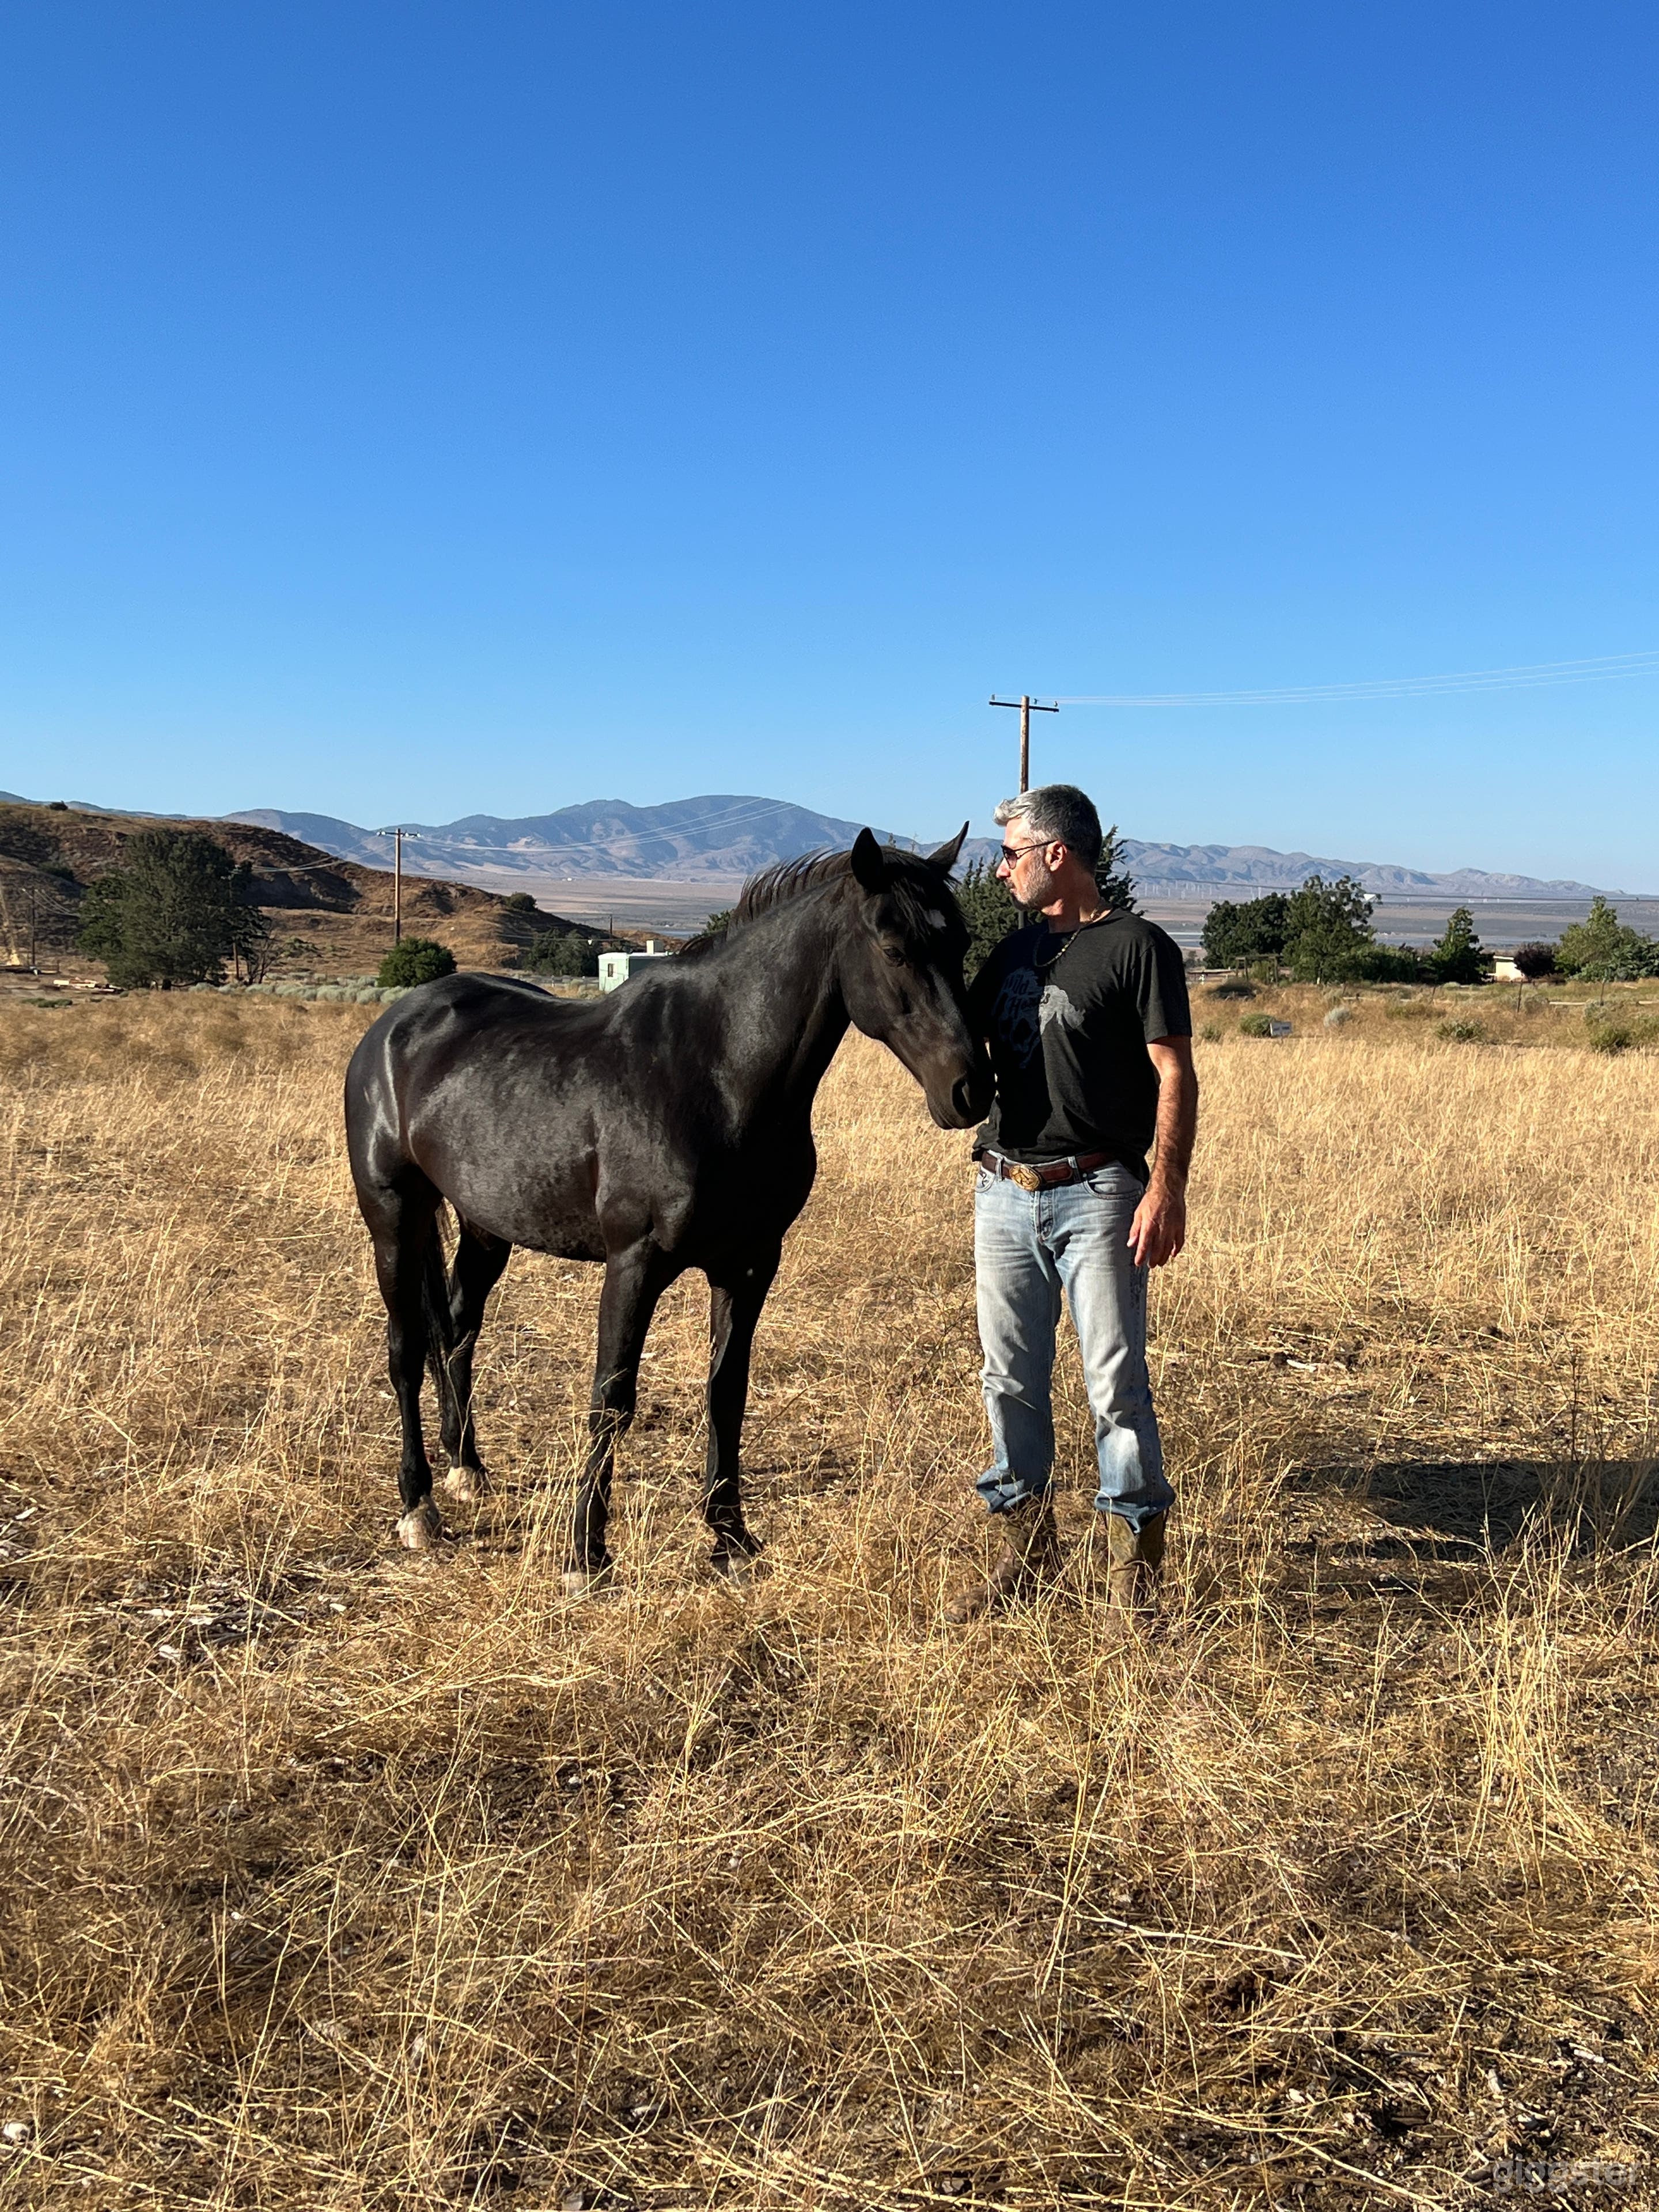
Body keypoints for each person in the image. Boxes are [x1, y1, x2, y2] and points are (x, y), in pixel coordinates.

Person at [947, 783, 1198, 1624]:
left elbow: (1174, 1072)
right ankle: (1024, 1555)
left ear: (1059, 854)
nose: (1001, 871)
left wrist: (1166, 1187)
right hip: (1002, 1191)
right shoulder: (1011, 956)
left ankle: (1135, 1575)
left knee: (1115, 1385)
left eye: (1012, 854)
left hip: (1098, 1193)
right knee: (1007, 1376)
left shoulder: (1138, 948)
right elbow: (953, 1038)